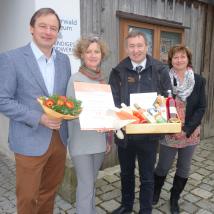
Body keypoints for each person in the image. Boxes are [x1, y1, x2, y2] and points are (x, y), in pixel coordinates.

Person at [0, 8, 71, 214]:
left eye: (53, 28)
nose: (48, 32)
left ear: (58, 33)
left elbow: (64, 99)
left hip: (59, 139)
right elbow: (3, 99)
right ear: (31, 28)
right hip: (29, 139)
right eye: (43, 26)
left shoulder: (64, 60)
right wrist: (38, 117)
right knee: (28, 197)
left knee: (49, 192)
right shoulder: (11, 58)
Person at [109, 30, 172, 214]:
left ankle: (146, 209)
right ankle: (126, 205)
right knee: (126, 173)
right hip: (126, 135)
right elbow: (112, 101)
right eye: (132, 46)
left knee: (147, 176)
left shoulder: (160, 70)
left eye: (139, 45)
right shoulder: (118, 71)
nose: (136, 50)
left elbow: (167, 98)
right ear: (126, 48)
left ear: (146, 47)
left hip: (149, 136)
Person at [153, 45, 206, 214]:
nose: (179, 60)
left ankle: (174, 198)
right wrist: (167, 125)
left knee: (184, 167)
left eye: (182, 56)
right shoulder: (164, 79)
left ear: (188, 59)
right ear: (171, 60)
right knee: (163, 166)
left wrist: (187, 129)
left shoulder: (198, 80)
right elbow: (158, 103)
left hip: (190, 132)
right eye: (175, 57)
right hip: (170, 131)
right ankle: (156, 192)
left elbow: (201, 107)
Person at [67, 36, 112, 214]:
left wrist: (108, 135)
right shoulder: (74, 79)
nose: (93, 55)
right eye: (89, 51)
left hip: (99, 142)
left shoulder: (102, 80)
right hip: (81, 143)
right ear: (82, 54)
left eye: (96, 51)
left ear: (102, 54)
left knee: (91, 183)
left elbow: (106, 112)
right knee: (85, 186)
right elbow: (70, 113)